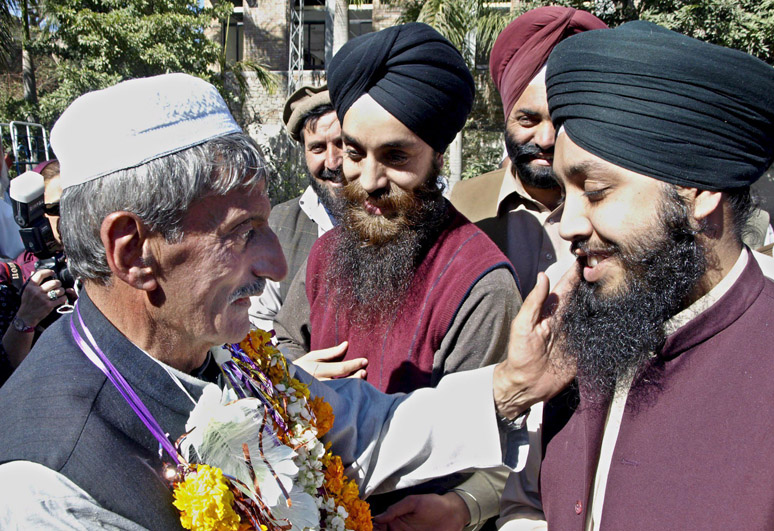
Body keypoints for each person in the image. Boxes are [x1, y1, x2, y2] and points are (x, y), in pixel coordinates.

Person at [0, 73, 566, 530]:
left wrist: (510, 385)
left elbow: (362, 428)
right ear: (133, 251)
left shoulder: (223, 354)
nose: (277, 264)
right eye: (244, 232)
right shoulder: (45, 480)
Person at [500, 21, 774, 529]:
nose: (568, 224)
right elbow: (528, 505)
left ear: (699, 190)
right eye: (564, 193)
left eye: (594, 191)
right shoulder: (584, 326)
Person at [274, 23, 522, 528]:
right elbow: (283, 346)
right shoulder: (326, 254)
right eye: (354, 152)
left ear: (435, 156)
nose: (368, 181)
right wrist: (302, 382)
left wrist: (464, 507)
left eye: (395, 157)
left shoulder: (480, 285)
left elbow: (497, 440)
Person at [449, 7, 605, 297]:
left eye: (560, 122)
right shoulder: (463, 203)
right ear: (505, 119)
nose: (546, 139)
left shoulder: (612, 208)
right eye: (528, 120)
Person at [249, 84, 366, 380]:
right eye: (317, 148)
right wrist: (292, 373)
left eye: (342, 144)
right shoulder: (278, 223)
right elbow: (256, 326)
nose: (332, 162)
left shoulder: (392, 220)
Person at [0, 160, 72, 386]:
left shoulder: (116, 260)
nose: (72, 216)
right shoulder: (15, 279)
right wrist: (27, 317)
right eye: (58, 208)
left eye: (77, 203)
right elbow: (6, 374)